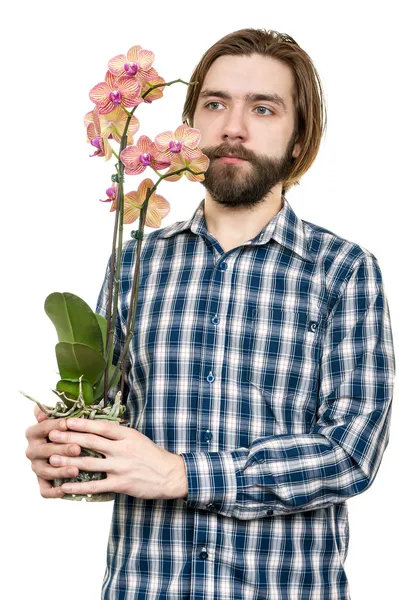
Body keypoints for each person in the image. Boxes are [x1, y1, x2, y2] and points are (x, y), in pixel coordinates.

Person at [25, 28, 396, 600]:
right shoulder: (136, 261)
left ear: (299, 139)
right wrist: (69, 450)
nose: (233, 127)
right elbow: (116, 435)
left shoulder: (343, 272)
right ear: (190, 123)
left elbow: (352, 451)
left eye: (263, 108)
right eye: (215, 103)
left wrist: (185, 474)